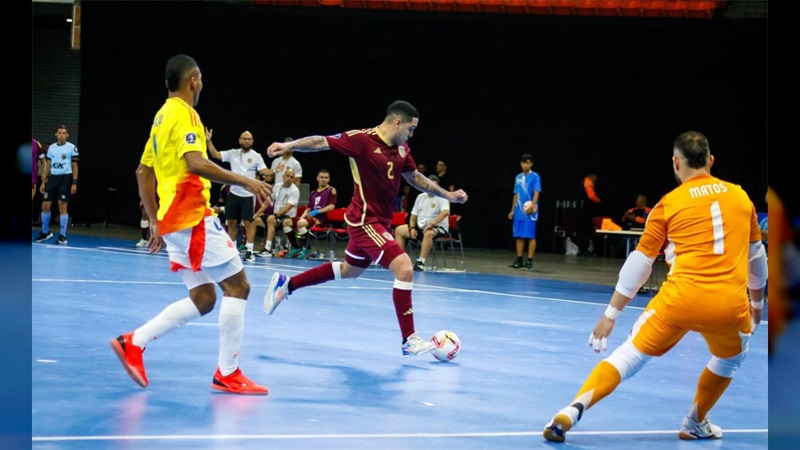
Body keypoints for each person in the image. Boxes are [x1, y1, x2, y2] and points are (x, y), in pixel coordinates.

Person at [543, 131, 766, 442]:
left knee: (628, 356)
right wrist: (757, 306)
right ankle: (695, 421)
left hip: (678, 301)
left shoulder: (667, 204)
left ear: (676, 163)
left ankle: (574, 408)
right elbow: (757, 258)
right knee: (730, 358)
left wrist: (611, 313)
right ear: (711, 161)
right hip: (729, 305)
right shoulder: (741, 197)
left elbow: (641, 262)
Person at [109, 54, 272, 395]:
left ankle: (134, 342)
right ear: (193, 80)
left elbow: (143, 172)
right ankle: (228, 373)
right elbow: (196, 163)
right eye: (201, 80)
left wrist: (155, 221)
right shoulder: (185, 114)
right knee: (238, 287)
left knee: (203, 296)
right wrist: (247, 181)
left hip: (172, 220)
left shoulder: (160, 117)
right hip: (192, 215)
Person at [263, 100, 468, 356]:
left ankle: (286, 285)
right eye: (411, 129)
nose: (412, 135)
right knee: (405, 269)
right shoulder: (361, 140)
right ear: (397, 122)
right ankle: (409, 339)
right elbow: (321, 142)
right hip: (364, 221)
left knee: (349, 271)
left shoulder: (402, 148)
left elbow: (414, 178)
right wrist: (289, 146)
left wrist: (448, 196)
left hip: (380, 222)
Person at [205, 129, 272, 262]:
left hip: (248, 195)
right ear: (240, 140)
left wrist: (274, 170)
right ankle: (232, 250)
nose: (247, 141)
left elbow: (264, 171)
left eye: (249, 139)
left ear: (252, 142)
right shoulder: (232, 153)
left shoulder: (257, 156)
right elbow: (215, 155)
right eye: (244, 139)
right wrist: (208, 141)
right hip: (234, 193)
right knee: (231, 222)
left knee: (248, 223)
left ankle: (249, 251)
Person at [394, 174, 451, 272]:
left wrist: (432, 224)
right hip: (421, 227)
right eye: (429, 185)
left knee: (429, 233)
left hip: (439, 228)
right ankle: (401, 259)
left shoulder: (442, 197)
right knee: (399, 230)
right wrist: (412, 228)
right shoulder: (420, 197)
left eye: (434, 186)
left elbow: (446, 212)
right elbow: (413, 216)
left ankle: (420, 262)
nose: (431, 188)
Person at [35, 125, 79, 245]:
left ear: (67, 135)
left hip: (65, 178)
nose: (61, 135)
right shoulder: (51, 148)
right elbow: (48, 166)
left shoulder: (71, 148)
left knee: (62, 206)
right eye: (59, 133)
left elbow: (75, 166)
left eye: (64, 133)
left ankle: (62, 236)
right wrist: (43, 182)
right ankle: (45, 232)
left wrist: (74, 183)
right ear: (56, 134)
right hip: (53, 178)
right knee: (45, 206)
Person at [288, 168, 338, 259]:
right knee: (286, 222)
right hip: (310, 218)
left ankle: (307, 249)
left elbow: (332, 206)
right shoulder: (313, 192)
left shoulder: (331, 190)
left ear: (329, 179)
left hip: (322, 218)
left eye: (326, 178)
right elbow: (308, 208)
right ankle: (295, 247)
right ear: (317, 178)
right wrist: (302, 217)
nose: (324, 179)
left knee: (301, 224)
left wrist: (317, 211)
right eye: (322, 177)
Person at [507, 153, 541, 269]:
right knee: (519, 236)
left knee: (530, 236)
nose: (525, 165)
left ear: (531, 164)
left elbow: (536, 192)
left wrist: (533, 205)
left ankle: (529, 261)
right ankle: (519, 260)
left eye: (527, 163)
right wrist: (512, 210)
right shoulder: (518, 177)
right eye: (523, 163)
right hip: (519, 211)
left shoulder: (535, 177)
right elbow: (516, 194)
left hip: (530, 212)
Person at [259, 169, 300, 256]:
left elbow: (287, 208)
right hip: (276, 215)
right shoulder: (277, 186)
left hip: (287, 217)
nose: (289, 178)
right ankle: (248, 247)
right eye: (287, 176)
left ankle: (267, 249)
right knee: (254, 220)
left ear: (294, 179)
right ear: (283, 176)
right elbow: (268, 201)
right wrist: (257, 213)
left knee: (271, 220)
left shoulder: (295, 190)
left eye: (291, 177)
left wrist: (274, 215)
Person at [574, 172, 601, 255]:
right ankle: (585, 248)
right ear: (591, 177)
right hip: (584, 210)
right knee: (585, 229)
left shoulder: (582, 182)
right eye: (595, 179)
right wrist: (599, 201)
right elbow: (591, 196)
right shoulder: (588, 183)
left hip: (579, 209)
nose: (595, 182)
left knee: (580, 229)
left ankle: (581, 248)